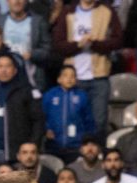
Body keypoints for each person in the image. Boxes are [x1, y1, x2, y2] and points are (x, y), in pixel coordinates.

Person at [52, 0, 122, 136]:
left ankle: (97, 148)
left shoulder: (107, 11)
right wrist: (77, 45)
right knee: (73, 121)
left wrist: (94, 44)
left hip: (99, 76)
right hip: (73, 78)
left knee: (99, 122)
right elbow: (58, 44)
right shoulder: (68, 11)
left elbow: (118, 40)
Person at [0, 54, 44, 164]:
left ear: (15, 70)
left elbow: (38, 121)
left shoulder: (26, 91)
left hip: (17, 154)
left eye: (7, 66)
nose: (4, 70)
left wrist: (33, 145)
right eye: (0, 66)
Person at [42, 65, 96, 163]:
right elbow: (42, 116)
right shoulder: (50, 95)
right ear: (59, 79)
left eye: (72, 76)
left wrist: (87, 140)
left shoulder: (82, 96)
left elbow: (89, 119)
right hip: (53, 145)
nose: (69, 79)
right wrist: (46, 129)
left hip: (76, 146)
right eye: (66, 75)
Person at [0, 0, 52, 90]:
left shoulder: (38, 21)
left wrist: (32, 54)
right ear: (7, 1)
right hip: (4, 77)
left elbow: (47, 50)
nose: (17, 2)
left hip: (30, 78)